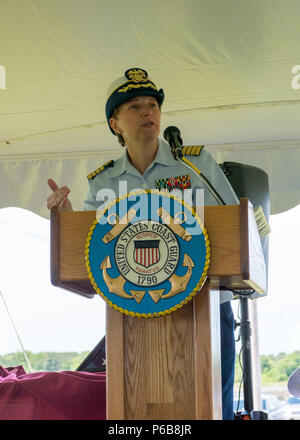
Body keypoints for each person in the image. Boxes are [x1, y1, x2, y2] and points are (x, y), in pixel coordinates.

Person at [47, 67, 239, 420]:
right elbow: (89, 249)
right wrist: (68, 219)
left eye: (153, 104)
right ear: (115, 124)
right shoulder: (103, 180)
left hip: (207, 307)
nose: (148, 111)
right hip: (134, 314)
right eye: (134, 106)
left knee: (216, 410)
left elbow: (236, 223)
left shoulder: (195, 164)